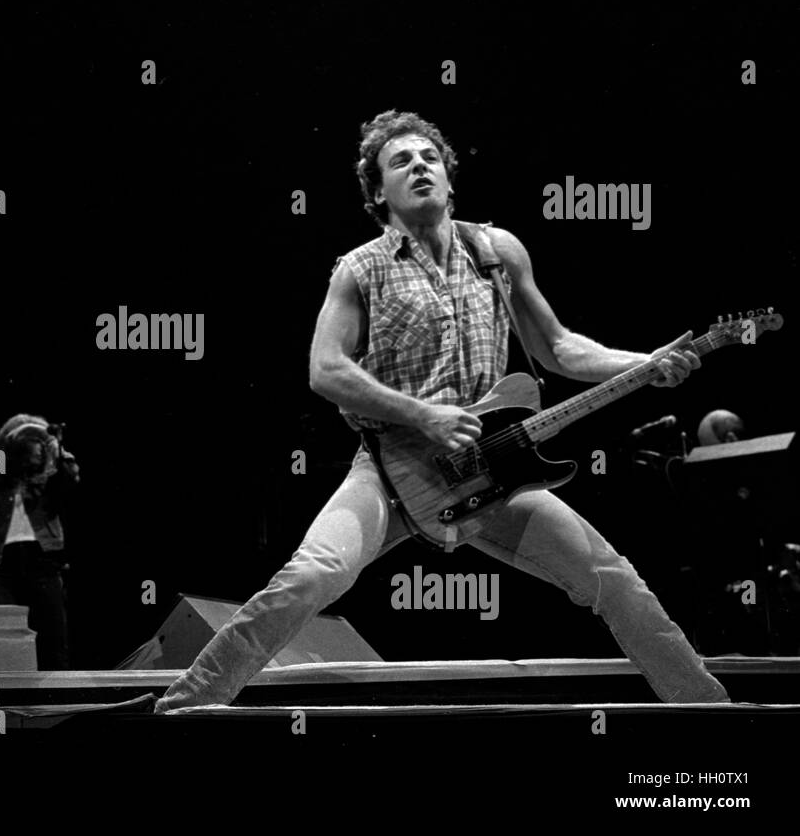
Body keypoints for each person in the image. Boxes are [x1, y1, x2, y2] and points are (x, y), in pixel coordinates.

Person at [156, 110, 729, 711]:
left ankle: (709, 712)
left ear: (450, 179)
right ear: (379, 191)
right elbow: (325, 370)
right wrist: (421, 414)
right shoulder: (360, 269)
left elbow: (558, 347)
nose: (418, 166)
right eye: (400, 161)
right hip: (392, 468)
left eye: (429, 157)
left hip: (495, 471)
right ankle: (184, 707)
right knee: (312, 574)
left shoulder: (497, 250)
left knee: (612, 578)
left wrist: (646, 362)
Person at [0, 415, 79, 670]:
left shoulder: (47, 484)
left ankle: (56, 698)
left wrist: (55, 446)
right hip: (1, 566)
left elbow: (70, 477)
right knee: (5, 632)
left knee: (53, 633)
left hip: (43, 560)